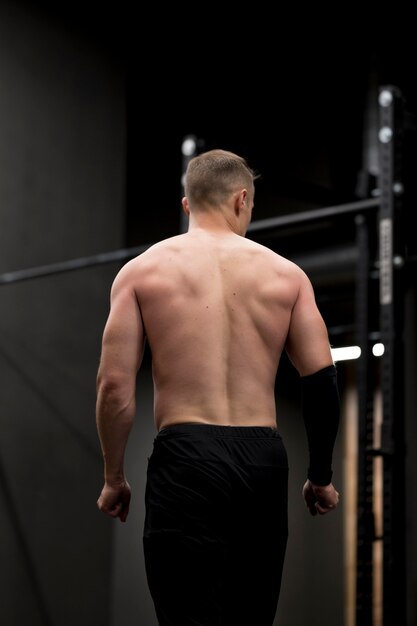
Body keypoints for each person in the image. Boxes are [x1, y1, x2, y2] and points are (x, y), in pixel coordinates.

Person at [96, 148, 340, 626]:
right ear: (242, 200)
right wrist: (321, 475)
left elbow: (114, 388)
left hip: (185, 457)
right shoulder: (288, 276)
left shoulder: (142, 272)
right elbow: (322, 382)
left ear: (187, 205)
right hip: (262, 460)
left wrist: (113, 476)